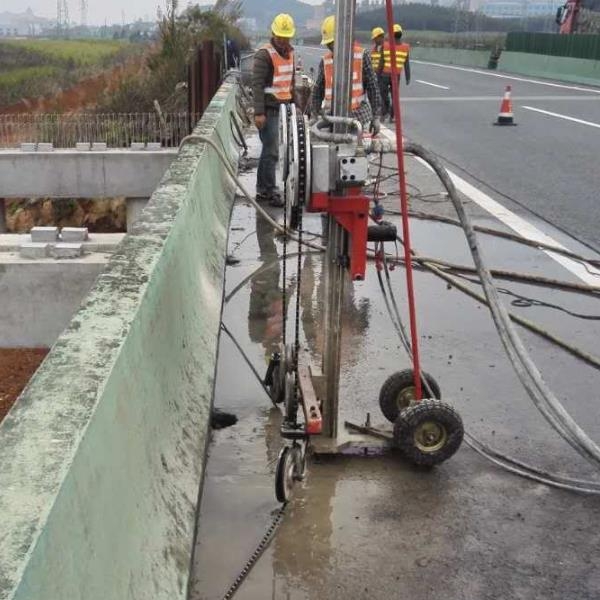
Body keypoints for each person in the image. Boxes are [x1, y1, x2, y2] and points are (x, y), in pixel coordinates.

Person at [252, 13, 296, 207]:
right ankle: (269, 190)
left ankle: (263, 189)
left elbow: (290, 83)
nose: (283, 40)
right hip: (269, 111)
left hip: (284, 108)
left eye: (286, 37)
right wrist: (259, 112)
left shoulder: (290, 53)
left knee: (271, 151)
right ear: (273, 33)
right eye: (280, 36)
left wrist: (297, 107)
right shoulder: (264, 54)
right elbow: (257, 84)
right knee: (271, 152)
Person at [310, 15, 382, 134]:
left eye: (332, 43)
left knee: (354, 149)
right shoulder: (326, 61)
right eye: (328, 44)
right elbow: (318, 90)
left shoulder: (362, 56)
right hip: (331, 117)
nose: (331, 47)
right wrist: (314, 114)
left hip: (356, 117)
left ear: (343, 38)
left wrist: (376, 117)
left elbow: (373, 87)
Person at [379, 23, 411, 122]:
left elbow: (381, 62)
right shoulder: (404, 47)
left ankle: (388, 113)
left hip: (386, 75)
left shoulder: (385, 46)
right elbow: (406, 64)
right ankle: (389, 114)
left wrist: (377, 75)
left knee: (385, 95)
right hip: (393, 76)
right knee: (393, 96)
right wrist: (407, 77)